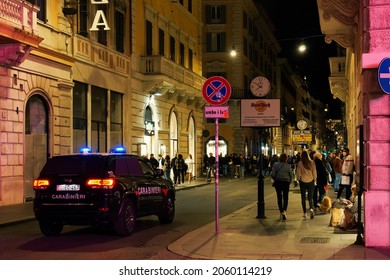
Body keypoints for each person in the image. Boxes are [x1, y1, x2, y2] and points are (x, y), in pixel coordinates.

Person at [271, 153, 294, 220]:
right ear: (286, 159)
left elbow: (273, 174)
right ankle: (284, 211)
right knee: (285, 197)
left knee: (279, 197)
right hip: (286, 182)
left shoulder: (275, 165)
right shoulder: (288, 166)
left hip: (278, 182)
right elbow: (291, 175)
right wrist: (289, 182)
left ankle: (281, 211)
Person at [296, 150, 317, 219]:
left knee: (303, 197)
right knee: (310, 197)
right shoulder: (312, 163)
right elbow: (314, 173)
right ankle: (311, 209)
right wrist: (314, 179)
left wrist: (298, 179)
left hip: (303, 181)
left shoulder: (300, 163)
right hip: (311, 181)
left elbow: (298, 173)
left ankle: (305, 212)